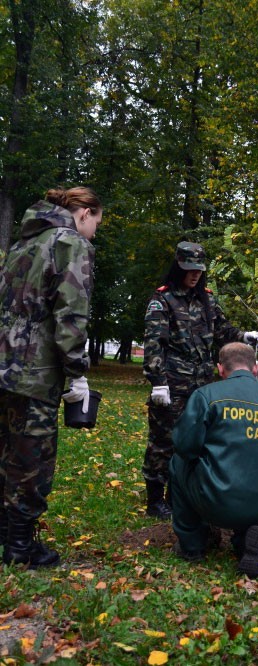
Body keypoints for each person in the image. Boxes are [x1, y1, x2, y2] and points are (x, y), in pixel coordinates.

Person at [0, 186, 103, 567]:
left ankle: (6, 535)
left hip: (3, 364)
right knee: (32, 459)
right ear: (84, 213)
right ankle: (21, 548)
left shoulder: (23, 244)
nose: (94, 232)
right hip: (36, 371)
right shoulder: (70, 243)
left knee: (6, 451)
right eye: (96, 223)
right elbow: (71, 314)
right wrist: (77, 373)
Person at [142, 241, 258, 519]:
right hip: (172, 381)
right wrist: (158, 381)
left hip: (202, 384)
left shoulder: (207, 299)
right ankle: (154, 499)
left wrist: (244, 337)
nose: (195, 274)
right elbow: (154, 343)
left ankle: (177, 494)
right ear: (178, 268)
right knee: (163, 440)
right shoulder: (163, 300)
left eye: (199, 269)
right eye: (189, 269)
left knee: (194, 439)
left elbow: (223, 332)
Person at [169, 342, 258, 578]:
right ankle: (256, 538)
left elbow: (184, 446)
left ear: (220, 369)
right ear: (256, 368)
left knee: (177, 462)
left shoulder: (207, 396)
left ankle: (192, 545)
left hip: (217, 500)